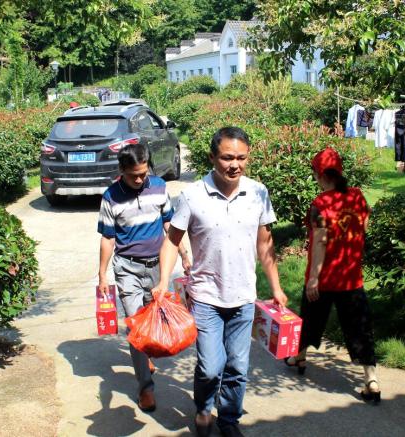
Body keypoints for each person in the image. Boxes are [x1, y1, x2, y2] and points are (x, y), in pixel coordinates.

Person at [152, 126, 288, 437]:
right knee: (210, 366)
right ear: (213, 157)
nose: (234, 165)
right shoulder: (193, 196)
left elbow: (265, 243)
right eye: (227, 158)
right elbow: (172, 241)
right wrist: (163, 281)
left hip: (243, 297)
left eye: (241, 158)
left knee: (237, 366)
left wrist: (276, 288)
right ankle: (203, 408)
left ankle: (229, 419)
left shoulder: (258, 193)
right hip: (205, 297)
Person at [97, 143, 190, 413]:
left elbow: (170, 225)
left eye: (143, 173)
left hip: (158, 266)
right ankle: (146, 388)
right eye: (133, 175)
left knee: (154, 320)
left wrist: (184, 254)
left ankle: (144, 354)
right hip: (127, 268)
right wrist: (102, 274)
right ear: (121, 170)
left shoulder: (159, 187)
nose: (139, 180)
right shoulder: (111, 197)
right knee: (136, 327)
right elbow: (108, 238)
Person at [284, 147, 381, 403]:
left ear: (319, 174)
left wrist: (314, 278)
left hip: (325, 278)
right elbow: (364, 225)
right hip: (351, 275)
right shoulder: (357, 197)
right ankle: (371, 379)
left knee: (311, 318)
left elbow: (320, 242)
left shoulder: (320, 204)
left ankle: (299, 357)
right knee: (359, 327)